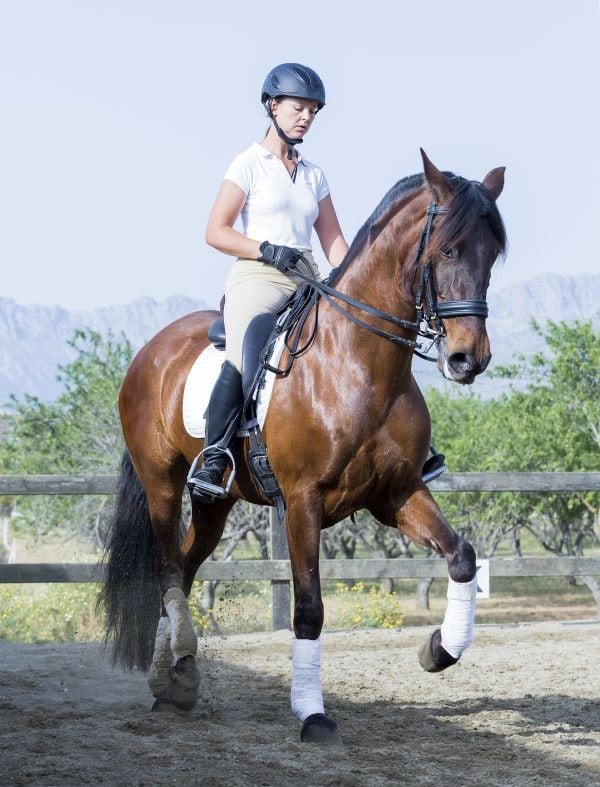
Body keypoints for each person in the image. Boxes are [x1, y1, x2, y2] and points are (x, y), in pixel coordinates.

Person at [187, 63, 348, 503]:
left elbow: (333, 243)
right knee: (247, 355)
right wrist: (266, 248)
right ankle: (215, 456)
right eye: (299, 108)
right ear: (273, 105)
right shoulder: (248, 164)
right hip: (258, 275)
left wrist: (354, 279)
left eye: (314, 112)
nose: (307, 118)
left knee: (356, 346)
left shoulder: (314, 174)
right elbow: (215, 231)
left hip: (306, 277)